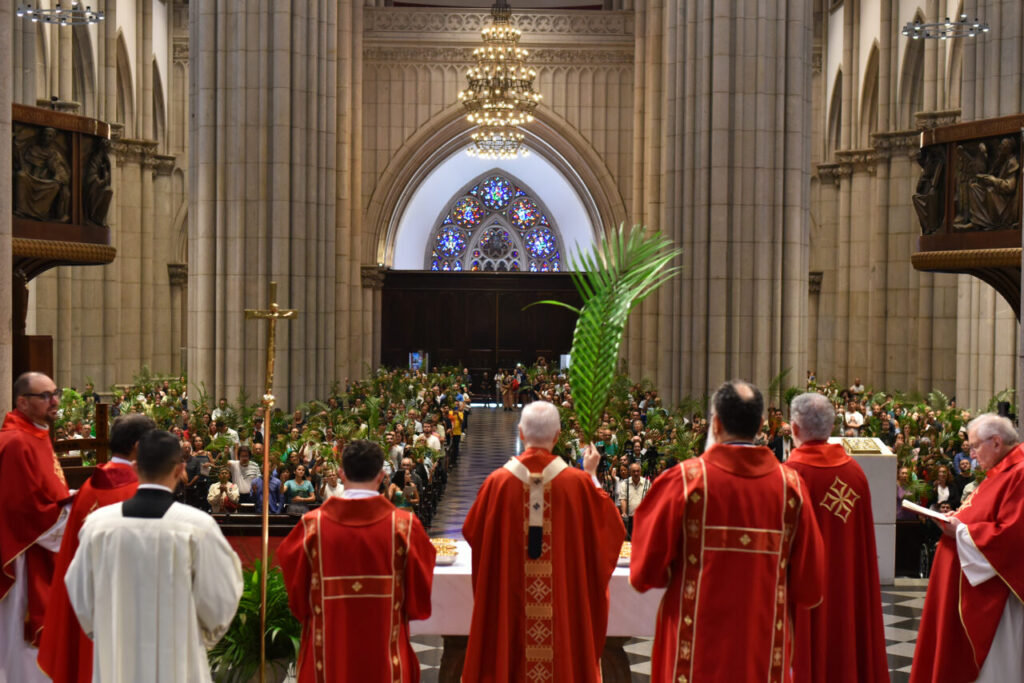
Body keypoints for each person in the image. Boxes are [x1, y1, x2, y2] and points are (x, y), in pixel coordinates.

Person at [630, 380, 825, 683]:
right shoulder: (792, 489)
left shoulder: (684, 482)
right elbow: (810, 587)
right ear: (761, 425)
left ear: (716, 424)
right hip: (761, 656)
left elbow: (644, 574)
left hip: (693, 657)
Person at [462, 401, 625, 682]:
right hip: (562, 612)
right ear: (558, 436)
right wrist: (593, 476)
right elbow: (610, 530)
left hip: (511, 609)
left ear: (521, 434)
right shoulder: (578, 484)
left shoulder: (497, 483)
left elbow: (473, 532)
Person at [64, 430, 242, 682]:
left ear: (135, 467)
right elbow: (220, 596)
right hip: (179, 660)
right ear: (181, 469)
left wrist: (104, 628)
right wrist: (199, 637)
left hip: (117, 659)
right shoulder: (198, 527)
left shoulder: (98, 526)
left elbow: (79, 589)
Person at [278, 439, 435, 682]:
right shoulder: (404, 527)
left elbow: (298, 599)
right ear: (382, 475)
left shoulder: (312, 527)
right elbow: (418, 600)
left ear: (341, 473)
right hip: (386, 656)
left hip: (328, 656)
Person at [37, 414, 155, 683]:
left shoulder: (90, 488)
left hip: (86, 609)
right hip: (125, 612)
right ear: (138, 446)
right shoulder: (138, 492)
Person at [911, 413, 1024, 683]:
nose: (972, 454)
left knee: (995, 669)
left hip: (995, 601)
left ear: (996, 442)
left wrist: (960, 530)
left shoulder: (1019, 473)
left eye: (975, 446)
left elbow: (1013, 535)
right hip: (977, 589)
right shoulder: (1001, 471)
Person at [785, 393, 889, 683]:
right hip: (850, 592)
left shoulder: (791, 475)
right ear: (832, 428)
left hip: (807, 596)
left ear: (794, 429)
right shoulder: (855, 472)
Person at [0, 372, 71, 683]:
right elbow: (23, 509)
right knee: (17, 637)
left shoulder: (36, 433)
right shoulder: (17, 442)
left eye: (55, 393)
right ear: (22, 402)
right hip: (22, 553)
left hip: (39, 546)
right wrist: (76, 514)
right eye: (45, 396)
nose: (54, 401)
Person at [618, 462, 650, 540]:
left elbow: (650, 500)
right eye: (633, 471)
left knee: (642, 540)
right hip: (630, 518)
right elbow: (623, 499)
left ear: (640, 472)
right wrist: (624, 512)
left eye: (638, 471)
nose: (636, 473)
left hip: (643, 519)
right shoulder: (625, 483)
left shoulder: (647, 483)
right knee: (629, 541)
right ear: (630, 472)